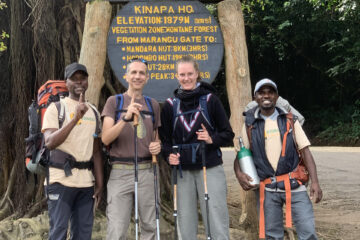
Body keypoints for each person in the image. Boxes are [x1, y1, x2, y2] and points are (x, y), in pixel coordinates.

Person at [234, 78, 323, 239]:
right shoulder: (249, 124)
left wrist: (315, 182)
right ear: (255, 97)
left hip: (294, 185)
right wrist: (239, 174)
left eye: (270, 92)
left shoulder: (290, 120)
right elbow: (241, 154)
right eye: (262, 92)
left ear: (276, 96)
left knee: (308, 231)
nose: (266, 96)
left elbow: (306, 152)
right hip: (267, 189)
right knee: (272, 235)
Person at [159, 55, 234, 239]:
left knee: (216, 215)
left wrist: (211, 139)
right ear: (176, 76)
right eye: (182, 74)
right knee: (185, 219)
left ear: (197, 74)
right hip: (183, 171)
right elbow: (164, 141)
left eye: (190, 74)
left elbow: (227, 133)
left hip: (209, 166)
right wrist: (168, 155)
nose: (186, 78)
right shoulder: (170, 105)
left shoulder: (210, 100)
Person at [101, 58, 161, 240]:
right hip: (120, 172)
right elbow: (105, 138)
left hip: (147, 172)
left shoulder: (153, 105)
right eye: (133, 72)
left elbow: (156, 138)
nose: (137, 76)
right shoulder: (114, 102)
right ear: (126, 76)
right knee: (117, 228)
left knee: (150, 226)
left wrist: (158, 146)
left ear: (147, 78)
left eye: (142, 73)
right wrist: (126, 118)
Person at [42, 62, 103, 240]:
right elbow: (50, 142)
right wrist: (76, 117)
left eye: (82, 78)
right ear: (66, 82)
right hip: (60, 182)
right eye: (74, 79)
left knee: (83, 234)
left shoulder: (94, 112)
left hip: (86, 185)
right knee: (58, 233)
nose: (79, 83)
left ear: (87, 81)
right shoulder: (56, 108)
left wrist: (99, 183)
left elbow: (97, 151)